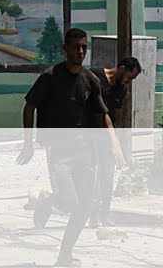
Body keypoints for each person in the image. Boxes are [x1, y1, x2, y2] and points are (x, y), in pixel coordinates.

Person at [19, 29, 126, 267]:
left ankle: (64, 255)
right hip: (59, 151)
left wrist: (114, 142)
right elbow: (29, 107)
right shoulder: (50, 77)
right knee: (69, 203)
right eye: (76, 47)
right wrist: (28, 143)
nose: (80, 51)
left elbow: (102, 113)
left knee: (85, 206)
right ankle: (48, 201)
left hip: (84, 152)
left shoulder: (90, 80)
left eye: (84, 47)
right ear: (65, 48)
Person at [88, 56, 142, 226]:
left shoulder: (122, 89)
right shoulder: (94, 77)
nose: (128, 82)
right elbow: (101, 112)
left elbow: (115, 116)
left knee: (107, 175)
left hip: (107, 135)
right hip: (89, 133)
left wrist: (117, 141)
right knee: (92, 176)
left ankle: (104, 214)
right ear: (122, 68)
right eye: (129, 77)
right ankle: (91, 214)